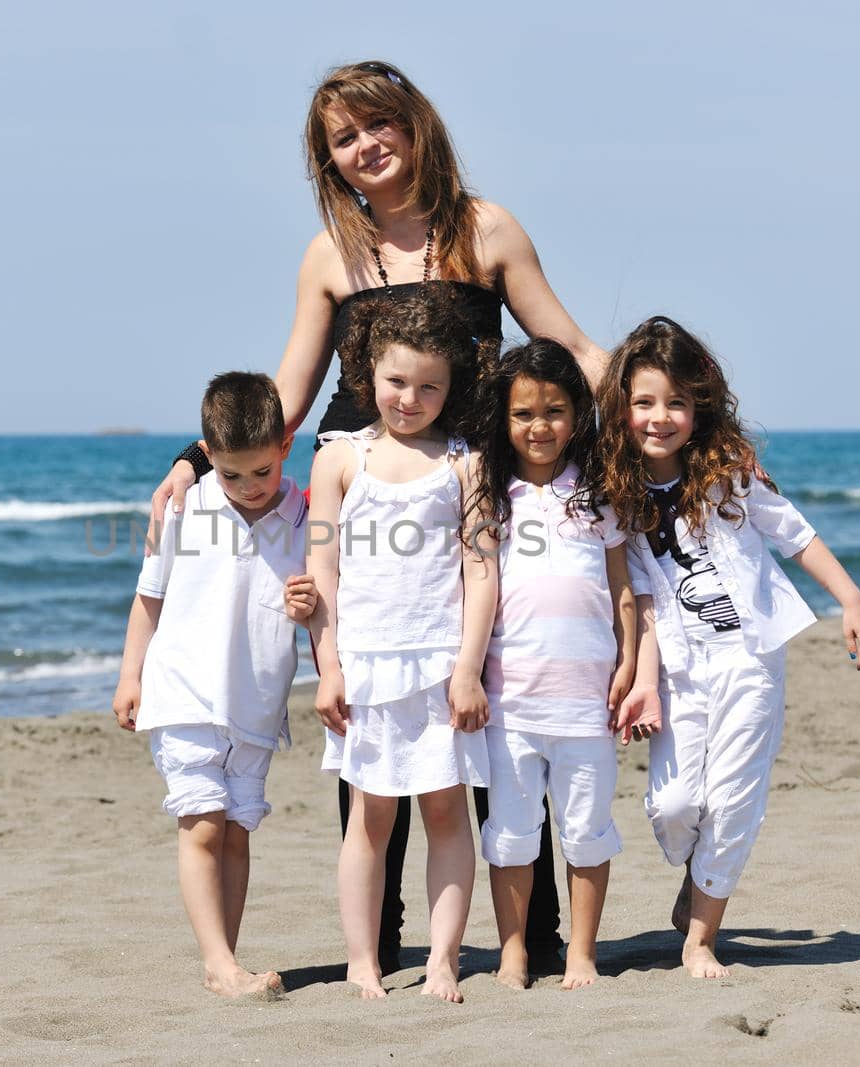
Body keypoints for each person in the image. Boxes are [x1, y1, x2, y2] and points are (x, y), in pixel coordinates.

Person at [149, 59, 606, 973]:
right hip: (358, 493)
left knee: (485, 706)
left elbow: (571, 347)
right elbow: (292, 388)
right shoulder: (330, 251)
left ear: (413, 122)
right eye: (343, 141)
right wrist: (197, 456)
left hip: (470, 485)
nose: (366, 149)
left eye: (376, 127)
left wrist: (671, 418)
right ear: (331, 161)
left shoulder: (487, 228)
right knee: (370, 719)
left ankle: (533, 935)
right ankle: (385, 943)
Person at [603, 317, 860, 979]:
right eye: (644, 401)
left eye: (675, 401)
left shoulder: (727, 473)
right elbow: (636, 600)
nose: (660, 416)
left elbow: (796, 534)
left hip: (749, 658)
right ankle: (699, 876)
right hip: (677, 666)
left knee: (733, 803)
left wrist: (851, 600)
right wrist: (637, 671)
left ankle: (699, 937)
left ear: (699, 405)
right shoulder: (616, 495)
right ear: (621, 407)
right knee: (674, 808)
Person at [307, 286, 492, 1002]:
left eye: (428, 386)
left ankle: (443, 958)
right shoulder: (340, 460)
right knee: (370, 816)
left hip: (441, 663)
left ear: (450, 388)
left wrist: (468, 669)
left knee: (447, 812)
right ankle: (363, 959)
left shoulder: (463, 463)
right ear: (367, 376)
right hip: (367, 667)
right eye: (395, 382)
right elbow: (323, 569)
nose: (410, 399)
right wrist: (328, 668)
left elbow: (482, 570)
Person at [112, 372, 316, 999]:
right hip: (183, 689)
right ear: (206, 453)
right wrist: (130, 676)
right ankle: (220, 965)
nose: (249, 488)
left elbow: (317, 601)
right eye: (231, 475)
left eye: (261, 471)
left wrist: (308, 602)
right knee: (201, 822)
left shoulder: (307, 514)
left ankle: (225, 957)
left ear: (286, 446)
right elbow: (149, 599)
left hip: (257, 697)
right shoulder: (181, 505)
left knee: (235, 829)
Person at [464, 338, 655, 990]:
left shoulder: (597, 496)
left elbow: (622, 586)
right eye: (523, 414)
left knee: (586, 829)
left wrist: (630, 663)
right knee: (512, 833)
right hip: (511, 700)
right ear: (503, 419)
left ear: (575, 415)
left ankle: (582, 952)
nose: (539, 426)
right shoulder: (491, 497)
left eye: (553, 411)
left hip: (587, 699)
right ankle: (513, 950)